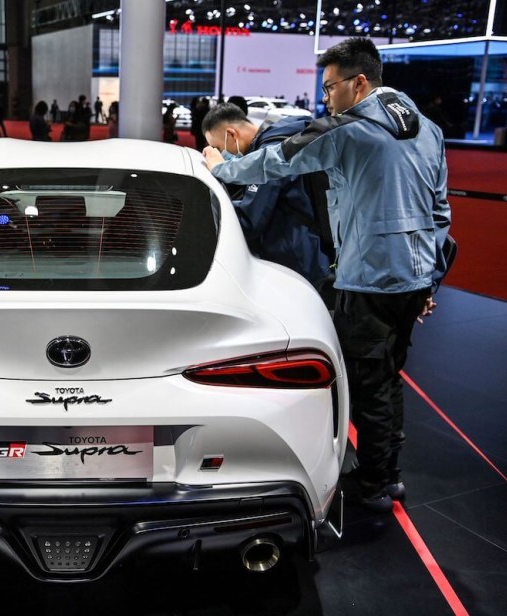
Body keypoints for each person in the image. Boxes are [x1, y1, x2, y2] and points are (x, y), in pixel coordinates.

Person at [202, 37, 452, 513]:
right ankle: (389, 474)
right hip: (414, 277)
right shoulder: (430, 131)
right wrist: (430, 279)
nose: (326, 99)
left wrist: (224, 167)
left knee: (368, 381)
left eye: (331, 88)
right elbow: (441, 210)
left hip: (367, 278)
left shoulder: (348, 130)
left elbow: (277, 160)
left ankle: (375, 482)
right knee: (389, 374)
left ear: (358, 83)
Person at [201, 103, 334, 303]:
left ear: (231, 134)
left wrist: (207, 206)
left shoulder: (270, 153)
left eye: (218, 148)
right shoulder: (281, 140)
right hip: (306, 253)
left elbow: (249, 220)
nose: (220, 155)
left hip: (296, 265)